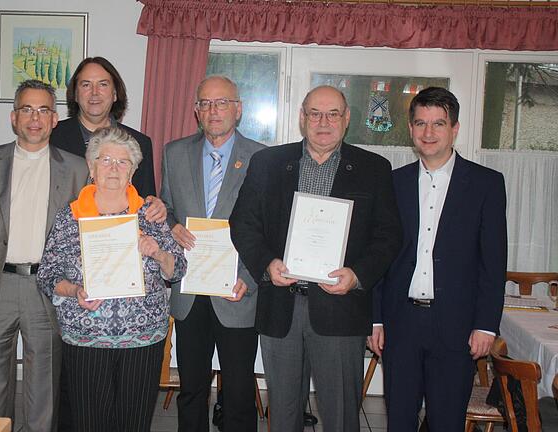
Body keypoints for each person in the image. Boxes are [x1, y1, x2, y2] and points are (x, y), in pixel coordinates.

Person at [229, 85, 402, 431]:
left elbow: (389, 236)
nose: (323, 122)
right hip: (281, 307)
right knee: (283, 413)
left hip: (341, 310)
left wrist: (357, 275)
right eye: (315, 114)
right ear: (302, 118)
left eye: (333, 114)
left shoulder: (374, 168)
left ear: (346, 118)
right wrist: (266, 263)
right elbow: (243, 223)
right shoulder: (268, 163)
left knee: (340, 416)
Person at [368, 87, 507, 431]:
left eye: (438, 124)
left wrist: (486, 324)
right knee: (399, 420)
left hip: (457, 326)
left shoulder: (486, 184)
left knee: (446, 421)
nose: (428, 133)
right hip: (401, 324)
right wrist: (375, 319)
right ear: (411, 129)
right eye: (420, 123)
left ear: (454, 129)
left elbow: (493, 262)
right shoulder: (392, 183)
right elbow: (378, 255)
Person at [0, 80, 88, 431]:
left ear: (55, 119)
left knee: (43, 391)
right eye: (27, 109)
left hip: (47, 289)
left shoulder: (77, 169)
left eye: (43, 110)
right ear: (14, 118)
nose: (35, 118)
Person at [37, 126, 186, 432]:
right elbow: (48, 274)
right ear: (91, 168)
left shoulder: (151, 214)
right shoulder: (71, 216)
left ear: (133, 172)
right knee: (90, 423)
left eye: (123, 162)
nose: (114, 168)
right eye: (105, 160)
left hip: (142, 340)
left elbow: (179, 268)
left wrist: (158, 253)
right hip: (86, 337)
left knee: (134, 423)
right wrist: (75, 289)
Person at [159, 75, 264, 432]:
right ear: (195, 111)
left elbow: (270, 229)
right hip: (190, 289)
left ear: (238, 109)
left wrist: (248, 281)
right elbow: (168, 208)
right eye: (205, 103)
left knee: (237, 392)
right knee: (192, 388)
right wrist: (171, 225)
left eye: (222, 103)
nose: (213, 110)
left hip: (236, 289)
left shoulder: (262, 157)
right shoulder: (174, 153)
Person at [49, 56, 156, 198]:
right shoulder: (52, 138)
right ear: (75, 94)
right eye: (86, 85)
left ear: (115, 94)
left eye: (103, 84)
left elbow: (146, 201)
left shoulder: (140, 143)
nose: (94, 92)